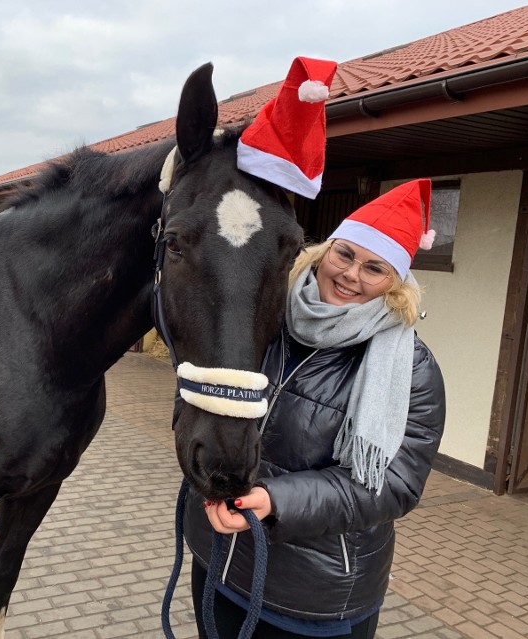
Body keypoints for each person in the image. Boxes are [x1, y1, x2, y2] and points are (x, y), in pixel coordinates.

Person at [183, 178, 447, 639]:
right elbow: (210, 395)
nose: (350, 275)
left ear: (396, 284)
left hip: (311, 596)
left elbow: (394, 486)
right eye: (344, 254)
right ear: (324, 251)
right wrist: (204, 468)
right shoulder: (263, 320)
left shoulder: (412, 371)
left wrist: (273, 501)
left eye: (374, 268)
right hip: (218, 558)